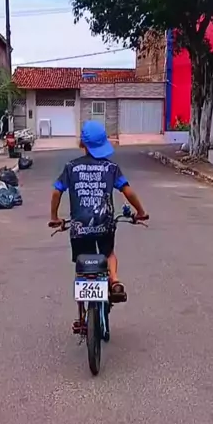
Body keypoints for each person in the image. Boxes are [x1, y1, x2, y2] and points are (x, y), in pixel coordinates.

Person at [49, 120, 148, 301]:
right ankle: (115, 280)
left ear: (82, 144)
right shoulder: (111, 168)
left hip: (79, 227)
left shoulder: (71, 167)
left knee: (82, 261)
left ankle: (83, 304)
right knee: (108, 253)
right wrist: (140, 212)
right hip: (105, 224)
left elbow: (57, 192)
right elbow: (127, 191)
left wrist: (54, 217)